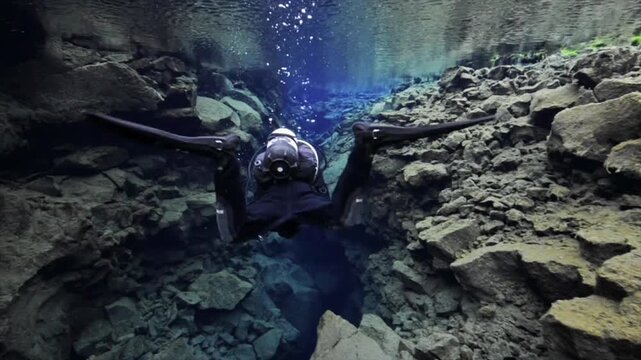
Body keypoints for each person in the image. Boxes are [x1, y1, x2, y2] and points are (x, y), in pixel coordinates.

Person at [88, 112, 494, 242]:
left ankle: (367, 145)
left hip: (293, 190)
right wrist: (231, 177)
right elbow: (253, 187)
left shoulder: (303, 213)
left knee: (339, 217)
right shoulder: (271, 217)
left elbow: (319, 185)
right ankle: (221, 156)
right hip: (283, 191)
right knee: (234, 233)